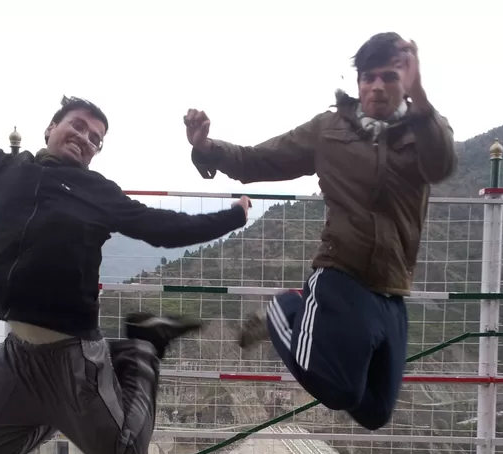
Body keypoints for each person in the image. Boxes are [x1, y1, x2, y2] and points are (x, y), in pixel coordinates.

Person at [0, 94, 251, 454]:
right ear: (51, 128)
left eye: (95, 138)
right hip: (17, 354)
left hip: (71, 353)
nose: (85, 137)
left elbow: (163, 227)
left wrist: (233, 216)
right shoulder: (10, 169)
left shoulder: (97, 191)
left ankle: (143, 347)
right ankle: (61, 412)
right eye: (77, 125)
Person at [183, 33, 457, 431]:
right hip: (342, 273)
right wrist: (206, 147)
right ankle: (285, 308)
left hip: (393, 287)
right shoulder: (329, 130)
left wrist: (423, 100)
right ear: (358, 82)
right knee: (337, 390)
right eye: (368, 77)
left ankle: (303, 317)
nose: (377, 86)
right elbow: (261, 160)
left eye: (389, 76)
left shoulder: (424, 130)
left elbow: (442, 167)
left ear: (405, 81)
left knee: (375, 413)